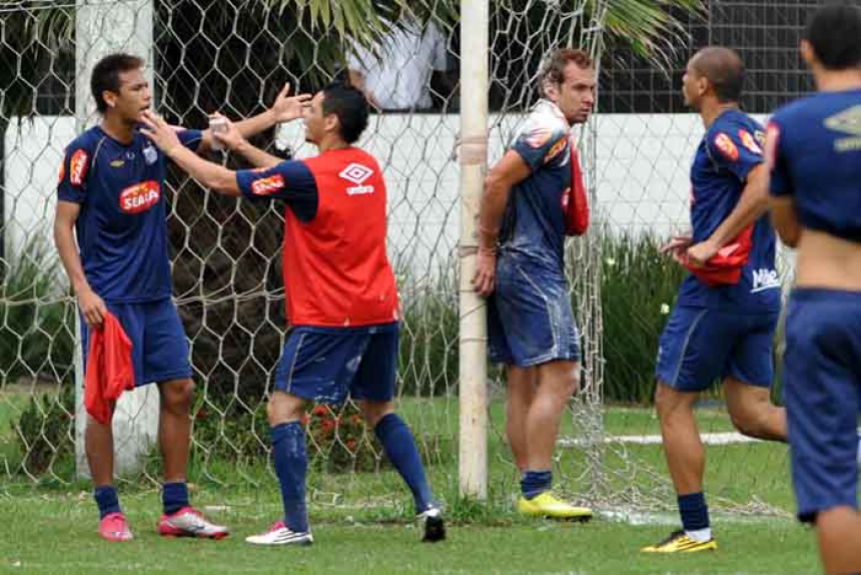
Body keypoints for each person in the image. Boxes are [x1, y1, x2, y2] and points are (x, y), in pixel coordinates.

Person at [139, 82, 446, 546]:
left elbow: (222, 182)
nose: (305, 117)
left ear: (331, 123)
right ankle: (428, 505)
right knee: (380, 408)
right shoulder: (364, 167)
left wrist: (169, 148)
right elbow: (294, 176)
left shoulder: (309, 177)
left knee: (284, 408)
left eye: (313, 110)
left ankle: (295, 525)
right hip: (380, 308)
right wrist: (241, 144)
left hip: (330, 313)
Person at [53, 52, 310, 542]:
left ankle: (176, 507)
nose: (147, 95)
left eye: (147, 86)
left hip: (156, 296)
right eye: (136, 88)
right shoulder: (85, 152)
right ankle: (109, 509)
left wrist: (272, 119)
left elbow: (216, 137)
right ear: (110, 98)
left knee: (179, 391)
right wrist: (83, 290)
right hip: (109, 299)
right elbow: (63, 227)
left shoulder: (156, 136)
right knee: (103, 404)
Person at [641, 47, 787, 554]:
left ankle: (695, 531)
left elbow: (764, 184)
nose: (682, 80)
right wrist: (699, 234)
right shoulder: (750, 127)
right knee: (753, 414)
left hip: (719, 292)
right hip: (760, 289)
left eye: (687, 74)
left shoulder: (721, 131)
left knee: (671, 402)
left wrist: (711, 243)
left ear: (703, 85)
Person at [471, 48, 595, 520]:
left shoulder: (540, 124)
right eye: (579, 88)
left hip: (516, 261)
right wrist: (486, 247)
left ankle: (528, 487)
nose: (588, 98)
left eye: (591, 88)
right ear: (552, 89)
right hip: (528, 263)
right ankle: (537, 488)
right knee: (562, 374)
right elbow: (497, 179)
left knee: (522, 376)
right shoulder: (550, 131)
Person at [768, 5, 861, 573]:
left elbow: (788, 228)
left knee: (832, 483)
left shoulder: (789, 124)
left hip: (824, 305)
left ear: (807, 51)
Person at [347, 15, 452, 111]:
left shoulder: (433, 24)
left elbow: (440, 72)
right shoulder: (365, 23)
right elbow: (353, 71)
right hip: (376, 110)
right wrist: (362, 97)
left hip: (421, 111)